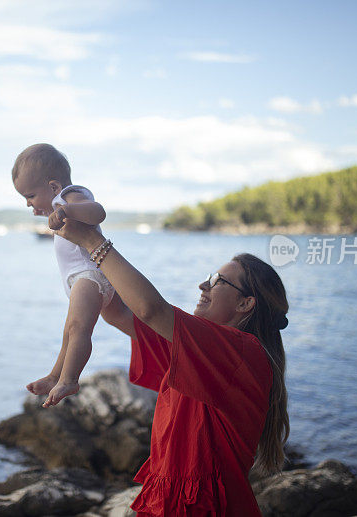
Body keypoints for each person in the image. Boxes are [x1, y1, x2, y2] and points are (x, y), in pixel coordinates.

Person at [52, 217, 290, 516]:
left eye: (217, 280)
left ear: (245, 304)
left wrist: (93, 242)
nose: (203, 284)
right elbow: (116, 312)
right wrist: (79, 254)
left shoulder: (243, 353)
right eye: (210, 276)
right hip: (170, 503)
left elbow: (150, 309)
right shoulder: (196, 352)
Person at [12, 143, 116, 407]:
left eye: (31, 195)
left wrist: (66, 210)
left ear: (54, 187)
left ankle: (70, 378)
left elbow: (98, 211)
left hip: (91, 275)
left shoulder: (71, 196)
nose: (28, 204)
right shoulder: (60, 202)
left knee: (79, 329)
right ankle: (55, 375)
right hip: (80, 279)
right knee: (69, 332)